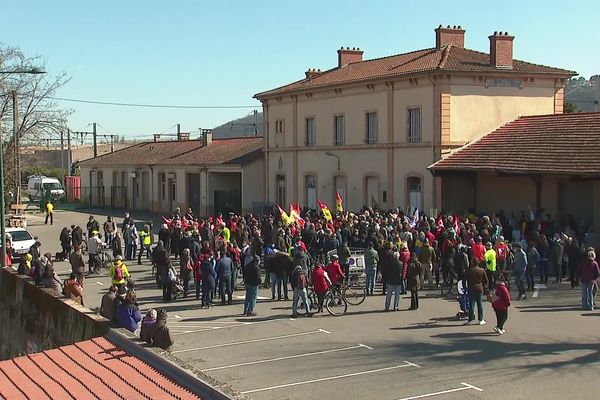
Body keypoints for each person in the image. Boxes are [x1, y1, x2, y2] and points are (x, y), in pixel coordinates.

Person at [463, 259, 488, 325]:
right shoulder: (482, 270)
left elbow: (463, 280)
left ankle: (470, 319)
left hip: (471, 288)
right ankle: (480, 319)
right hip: (479, 288)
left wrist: (465, 288)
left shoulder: (468, 271)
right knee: (480, 304)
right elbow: (486, 281)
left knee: (471, 304)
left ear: (472, 262)